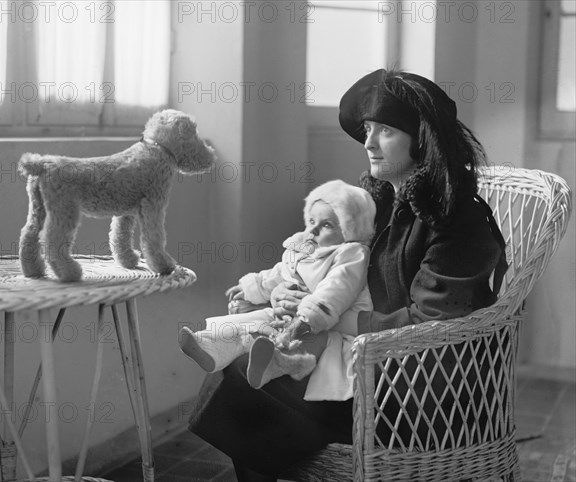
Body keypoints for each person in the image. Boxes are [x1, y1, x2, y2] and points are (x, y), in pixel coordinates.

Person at [187, 68, 508, 482]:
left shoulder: (459, 219)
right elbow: (331, 265)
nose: (369, 142)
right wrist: (291, 289)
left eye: (387, 130)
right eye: (368, 129)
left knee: (247, 388)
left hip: (419, 388)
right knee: (241, 374)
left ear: (423, 140)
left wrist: (320, 314)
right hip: (352, 360)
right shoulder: (376, 202)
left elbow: (435, 324)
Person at [179, 179, 375, 398]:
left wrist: (308, 317)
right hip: (290, 315)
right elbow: (280, 272)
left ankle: (283, 362)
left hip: (330, 326)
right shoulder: (303, 247)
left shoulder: (351, 254)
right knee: (255, 324)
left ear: (350, 231)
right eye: (311, 220)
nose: (313, 229)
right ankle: (214, 347)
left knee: (310, 339)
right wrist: (254, 288)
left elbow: (336, 289)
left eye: (327, 225)